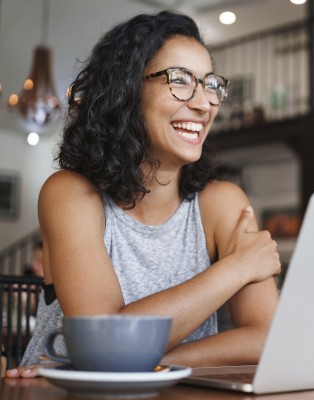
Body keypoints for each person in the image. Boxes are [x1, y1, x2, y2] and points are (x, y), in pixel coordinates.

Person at [6, 10, 280, 378]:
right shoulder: (70, 194)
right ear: (127, 90)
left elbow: (266, 337)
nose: (204, 104)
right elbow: (104, 342)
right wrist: (237, 268)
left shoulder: (222, 203)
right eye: (180, 80)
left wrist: (150, 363)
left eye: (210, 84)